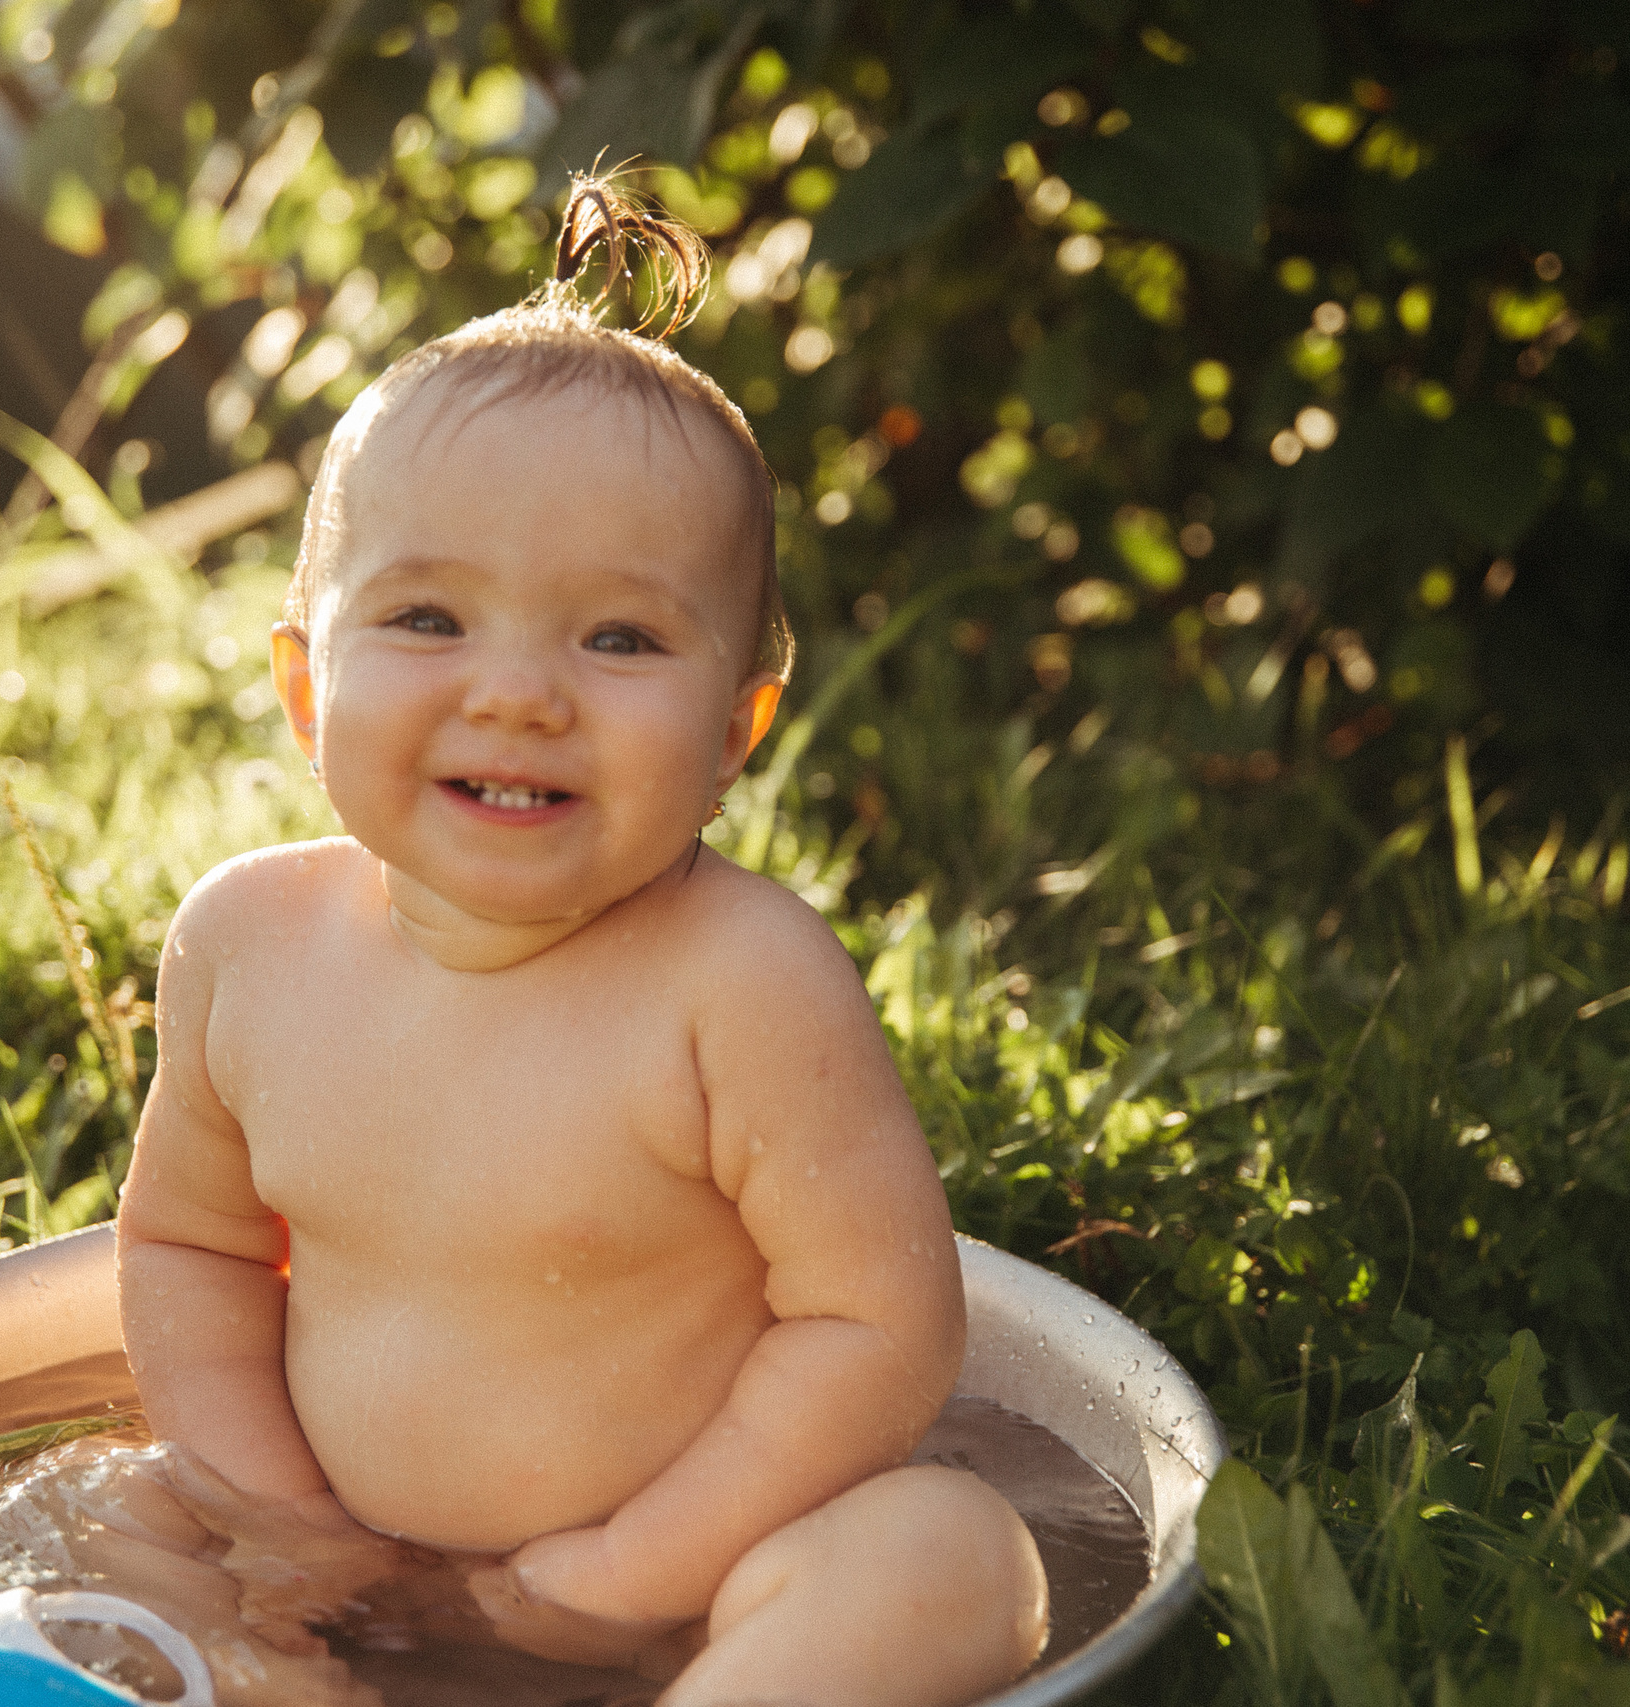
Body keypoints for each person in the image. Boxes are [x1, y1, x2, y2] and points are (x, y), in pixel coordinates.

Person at [115, 178, 1049, 1707]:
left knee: (945, 1557)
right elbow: (190, 1250)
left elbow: (877, 1325)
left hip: (693, 1591)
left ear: (738, 727)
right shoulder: (249, 949)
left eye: (618, 639)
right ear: (303, 686)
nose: (520, 694)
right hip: (344, 1579)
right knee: (103, 1523)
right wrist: (273, 1528)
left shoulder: (737, 984)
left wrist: (629, 1571)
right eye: (428, 620)